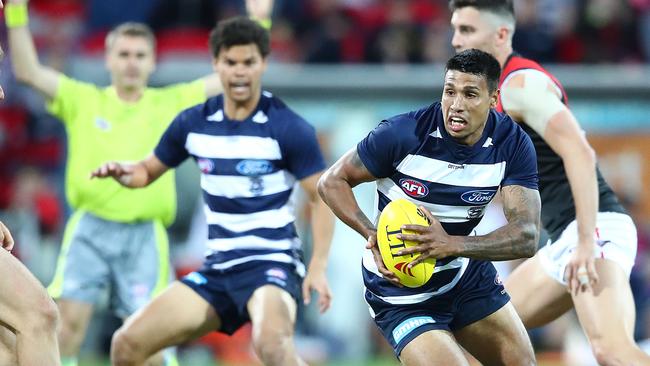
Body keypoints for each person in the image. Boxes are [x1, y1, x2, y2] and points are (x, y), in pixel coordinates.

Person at [4, 0, 275, 364]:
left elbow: (238, 76)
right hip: (90, 229)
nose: (132, 62)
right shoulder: (82, 99)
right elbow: (27, 71)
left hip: (144, 236)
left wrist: (260, 19)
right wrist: (17, 9)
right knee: (64, 326)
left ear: (152, 61)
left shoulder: (171, 102)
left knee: (148, 337)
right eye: (124, 53)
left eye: (140, 54)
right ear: (109, 59)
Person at [91, 16, 334, 366]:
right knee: (126, 343)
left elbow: (321, 194)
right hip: (218, 269)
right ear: (215, 64)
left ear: (263, 63)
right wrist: (124, 172)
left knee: (271, 346)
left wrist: (318, 265)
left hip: (271, 265)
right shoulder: (193, 123)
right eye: (230, 62)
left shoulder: (287, 126)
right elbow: (146, 171)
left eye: (248, 62)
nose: (239, 72)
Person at [448, 1, 650, 364]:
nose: (455, 40)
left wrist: (587, 242)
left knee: (611, 351)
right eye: (455, 29)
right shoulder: (494, 96)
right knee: (475, 334)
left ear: (501, 34)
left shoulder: (522, 85)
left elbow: (581, 153)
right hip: (563, 240)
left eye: (466, 30)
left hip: (594, 230)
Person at [318, 49, 540, 365]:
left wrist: (451, 245)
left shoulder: (512, 143)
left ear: (493, 98)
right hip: (402, 292)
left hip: (466, 278)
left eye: (470, 94)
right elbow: (331, 182)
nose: (456, 105)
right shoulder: (403, 134)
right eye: (449, 91)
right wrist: (373, 234)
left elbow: (526, 236)